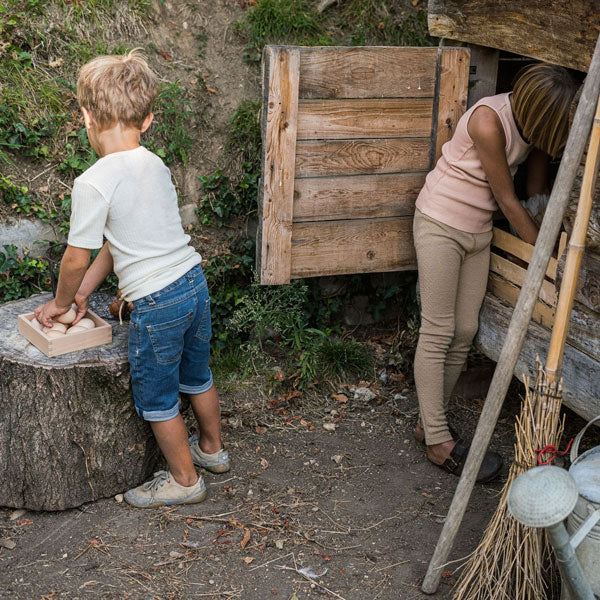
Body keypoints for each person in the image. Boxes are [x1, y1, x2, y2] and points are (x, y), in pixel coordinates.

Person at [34, 50, 229, 507]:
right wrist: (86, 294)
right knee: (197, 375)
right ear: (148, 119)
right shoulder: (154, 163)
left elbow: (76, 257)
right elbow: (115, 244)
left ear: (86, 116)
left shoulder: (94, 181)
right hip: (193, 284)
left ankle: (184, 482)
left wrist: (63, 301)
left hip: (158, 303)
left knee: (157, 395)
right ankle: (212, 451)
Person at [412, 63, 577, 482]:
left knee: (465, 330)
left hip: (477, 232)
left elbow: (536, 194)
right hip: (440, 224)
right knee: (438, 329)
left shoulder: (534, 132)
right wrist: (547, 259)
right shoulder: (488, 121)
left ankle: (429, 423)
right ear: (543, 115)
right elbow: (507, 200)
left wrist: (552, 223)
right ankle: (437, 441)